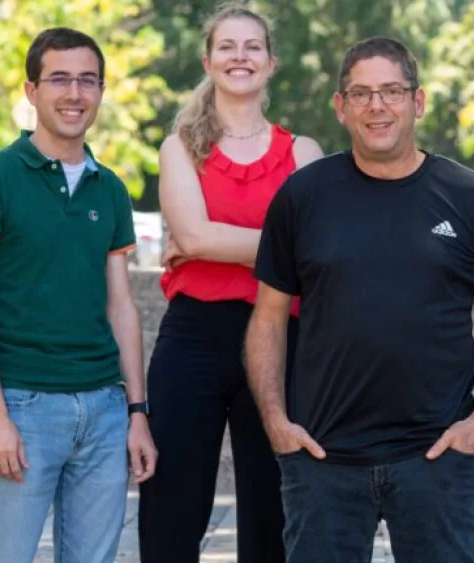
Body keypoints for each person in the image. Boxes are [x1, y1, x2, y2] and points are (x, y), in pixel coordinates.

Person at [244, 35, 474, 563]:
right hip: (322, 460)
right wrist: (275, 422)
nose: (376, 106)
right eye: (361, 94)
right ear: (341, 106)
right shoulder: (302, 196)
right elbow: (267, 319)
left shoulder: (471, 195)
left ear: (418, 101)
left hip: (437, 459)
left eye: (391, 92)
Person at [0, 27, 157, 563]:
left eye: (87, 80)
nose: (74, 93)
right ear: (31, 90)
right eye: (59, 79)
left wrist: (137, 411)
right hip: (23, 405)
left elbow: (121, 306)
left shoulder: (109, 187)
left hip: (105, 409)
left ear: (101, 92)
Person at [136, 5, 323, 563]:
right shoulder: (179, 148)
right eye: (227, 46)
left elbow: (313, 256)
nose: (240, 56)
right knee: (171, 504)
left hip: (280, 336)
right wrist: (279, 244)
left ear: (271, 62)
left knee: (273, 510)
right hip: (194, 336)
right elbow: (192, 239)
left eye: (252, 47)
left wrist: (218, 240)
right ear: (208, 60)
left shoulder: (304, 153)